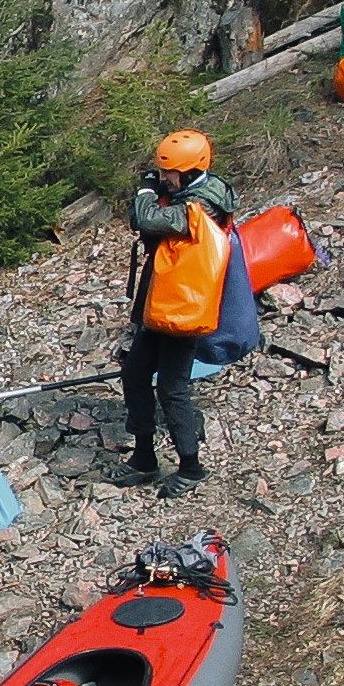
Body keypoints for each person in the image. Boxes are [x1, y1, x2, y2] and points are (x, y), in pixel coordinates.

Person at [117, 130, 236, 496]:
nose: (163, 177)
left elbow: (148, 219)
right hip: (164, 301)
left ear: (189, 171)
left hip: (185, 307)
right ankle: (144, 459)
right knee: (136, 372)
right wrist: (155, 191)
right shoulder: (186, 193)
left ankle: (191, 467)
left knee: (172, 389)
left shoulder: (203, 204)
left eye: (169, 173)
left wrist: (145, 191)